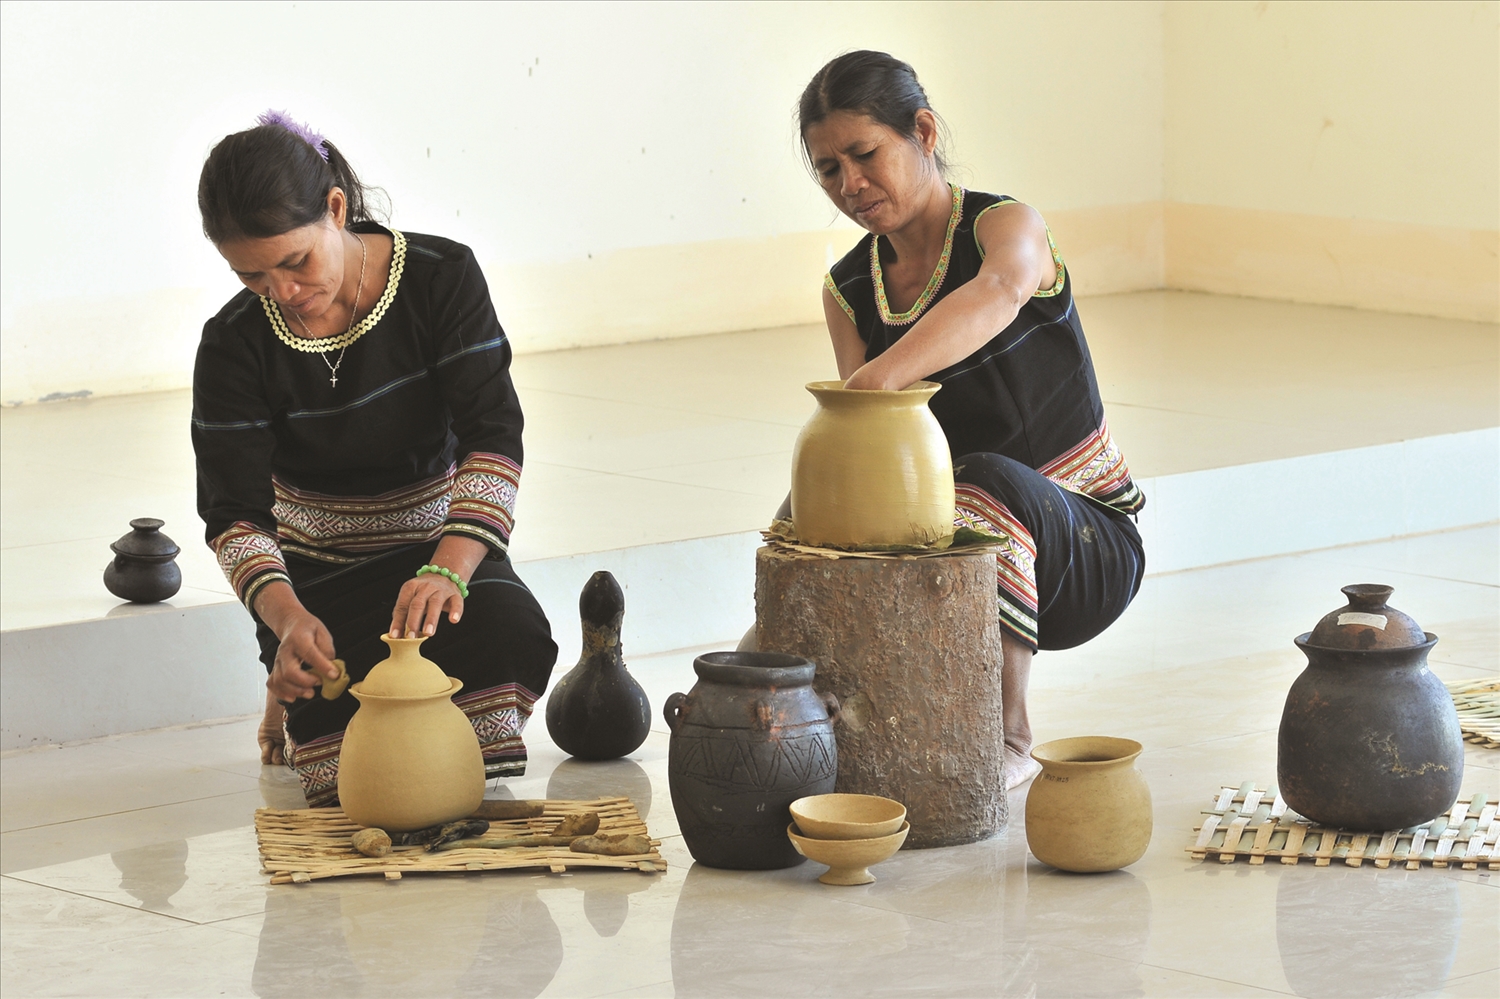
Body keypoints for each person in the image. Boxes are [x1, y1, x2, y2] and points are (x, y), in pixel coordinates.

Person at [798, 53, 1146, 789]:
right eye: (828, 169)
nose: (850, 185)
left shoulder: (1004, 227)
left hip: (1083, 546)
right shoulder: (848, 289)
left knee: (982, 478)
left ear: (923, 131)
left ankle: (1011, 733)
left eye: (866, 154)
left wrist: (875, 382)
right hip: (955, 551)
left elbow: (1001, 290)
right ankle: (795, 714)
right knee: (806, 519)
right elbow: (869, 447)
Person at [193, 112, 557, 806]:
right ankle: (286, 689)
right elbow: (233, 514)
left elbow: (493, 435)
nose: (284, 293)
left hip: (433, 550)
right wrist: (287, 621)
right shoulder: (232, 343)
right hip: (320, 582)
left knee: (508, 633)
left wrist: (448, 569)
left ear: (335, 209)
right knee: (336, 716)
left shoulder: (440, 278)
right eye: (253, 276)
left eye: (297, 262)